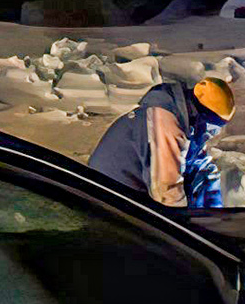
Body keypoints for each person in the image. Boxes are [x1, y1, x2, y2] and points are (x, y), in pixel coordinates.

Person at [89, 77, 234, 208]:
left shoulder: (185, 119)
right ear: (202, 114)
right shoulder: (164, 122)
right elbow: (167, 193)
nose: (212, 132)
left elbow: (197, 164)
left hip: (131, 191)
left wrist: (214, 206)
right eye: (213, 124)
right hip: (109, 198)